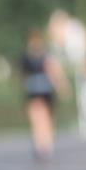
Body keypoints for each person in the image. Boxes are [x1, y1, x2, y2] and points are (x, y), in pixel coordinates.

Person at [20, 30, 68, 162]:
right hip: (34, 91)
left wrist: (60, 87)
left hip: (44, 90)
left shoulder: (44, 57)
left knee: (45, 119)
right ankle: (40, 144)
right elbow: (23, 77)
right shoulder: (27, 58)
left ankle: (46, 144)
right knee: (37, 119)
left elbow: (53, 72)